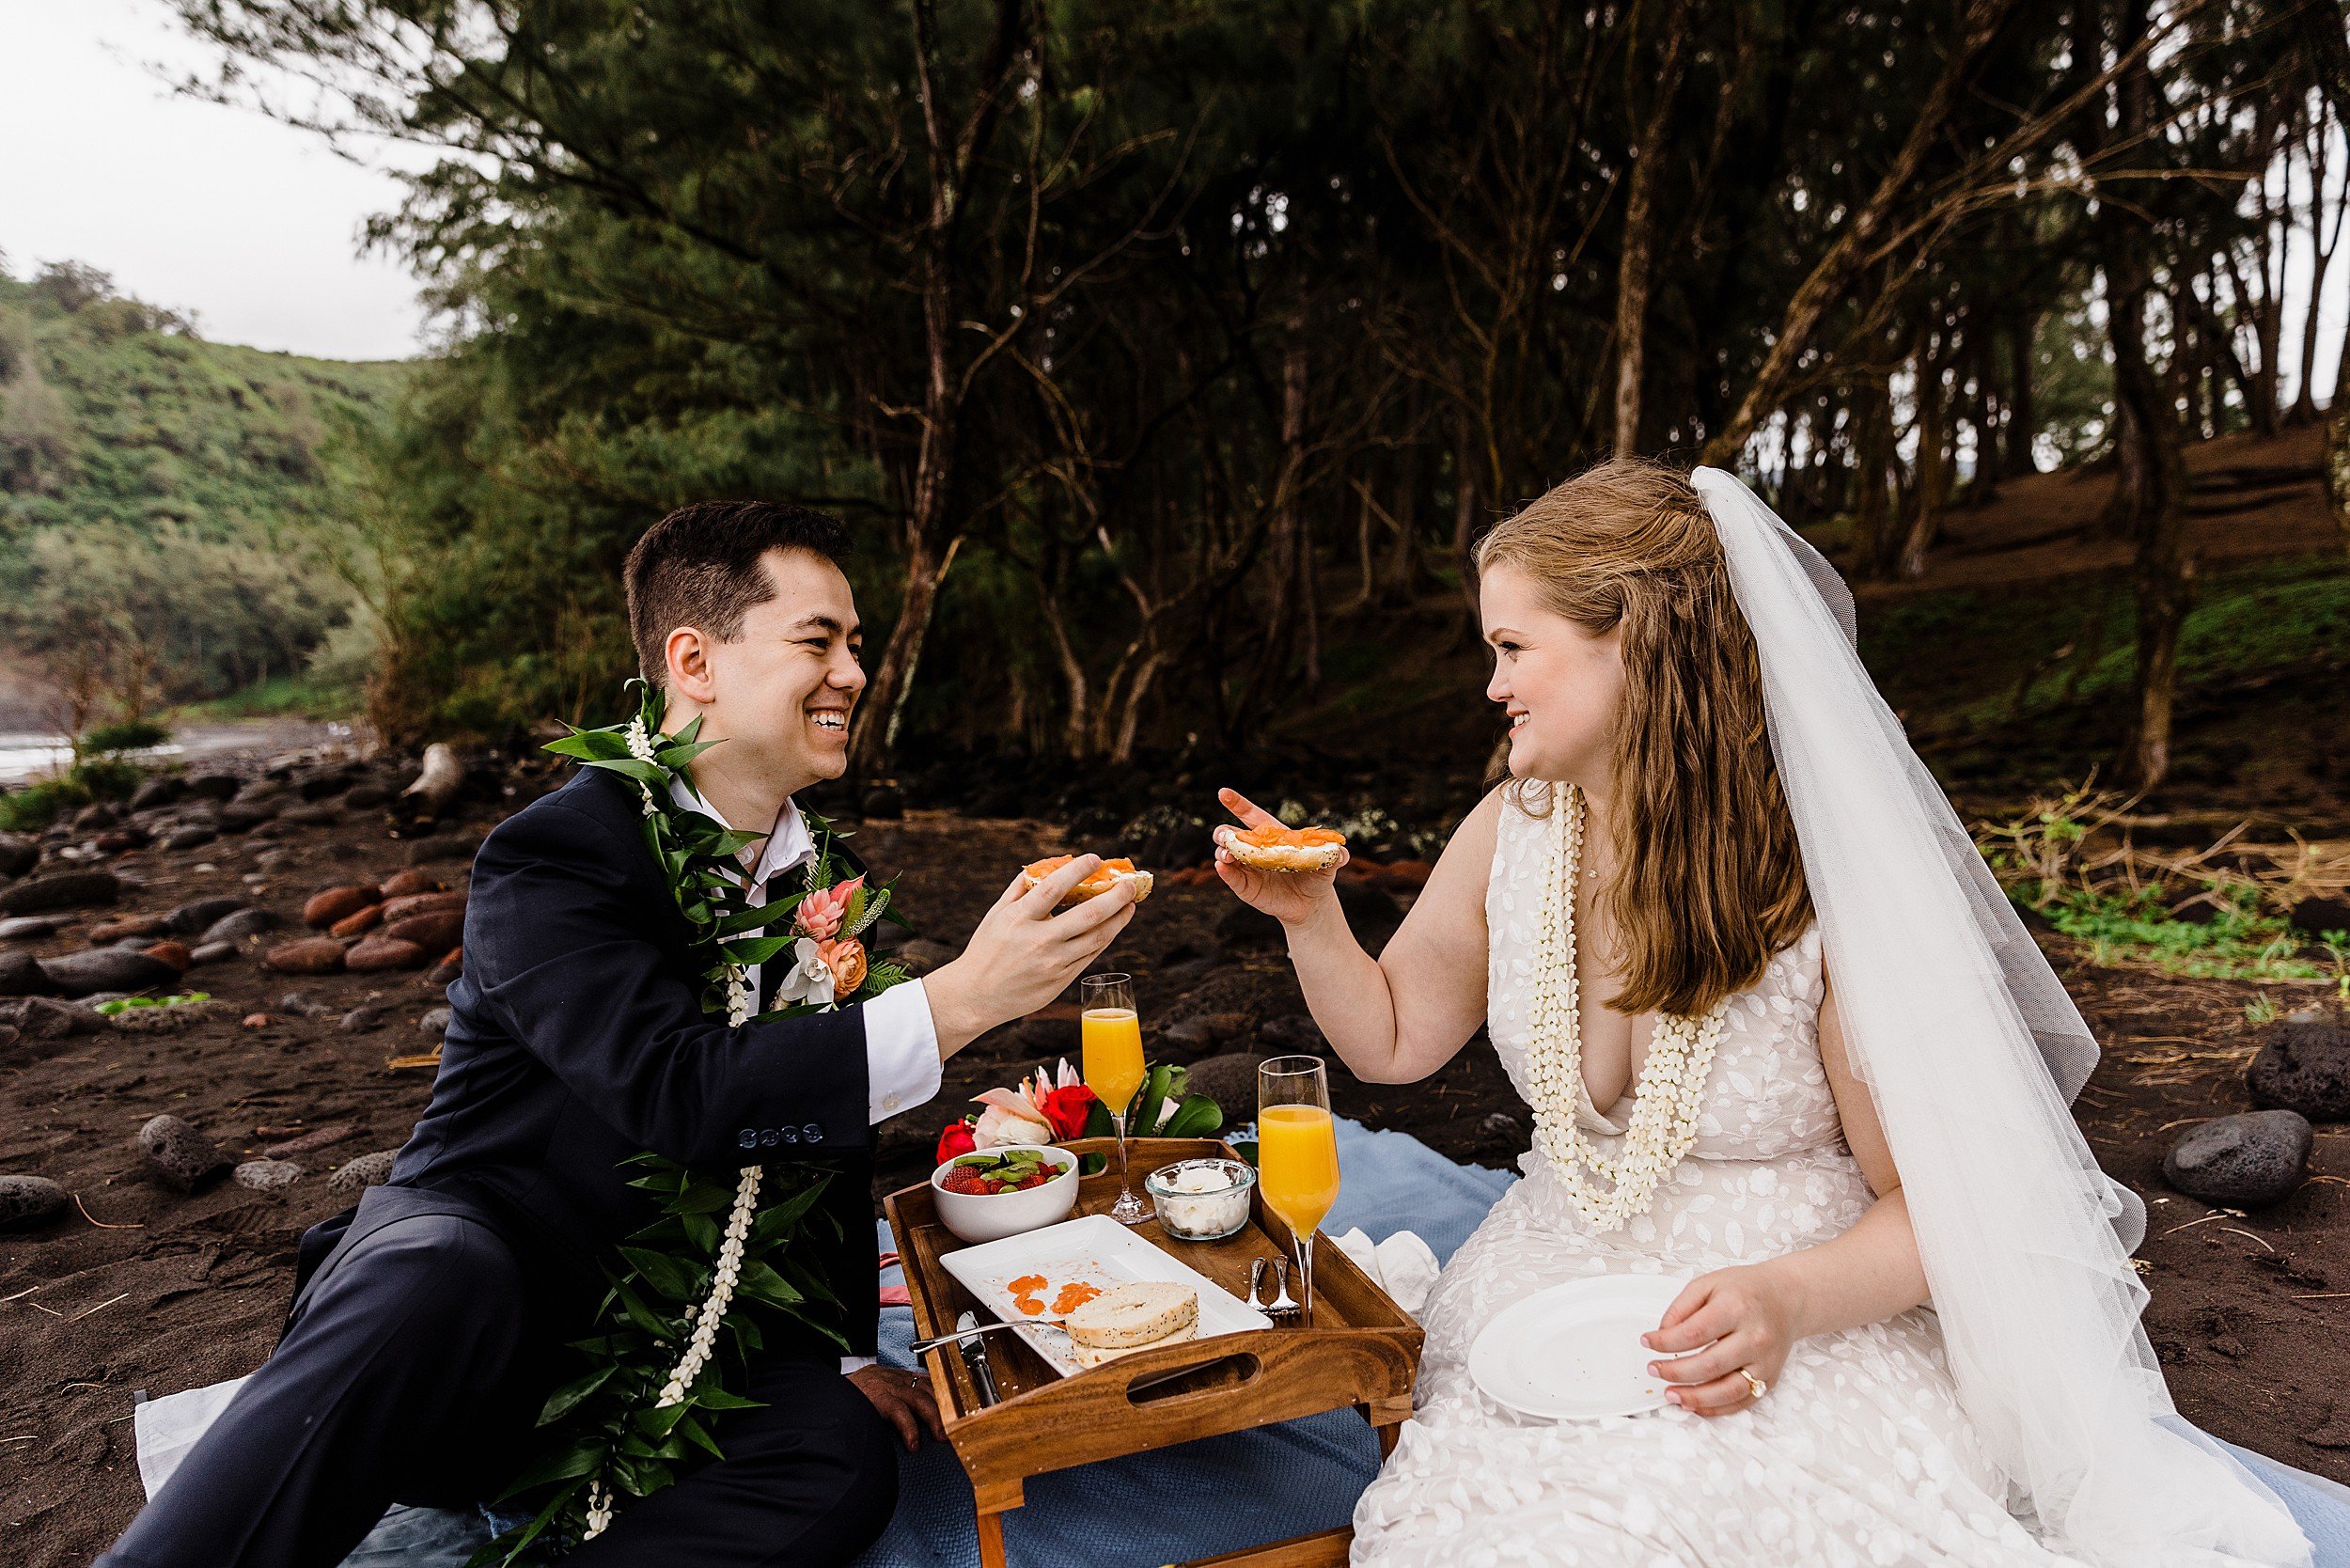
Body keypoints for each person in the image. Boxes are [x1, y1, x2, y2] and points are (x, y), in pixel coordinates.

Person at [1213, 460, 2312, 1566]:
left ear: (1634, 642)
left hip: (1801, 1311)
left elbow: (1953, 1211)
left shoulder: (1821, 887)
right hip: (1546, 1283)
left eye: (1511, 647)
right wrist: (1310, 918)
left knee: (1659, 1523)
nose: (1491, 684)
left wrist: (1788, 1299)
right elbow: (1391, 1042)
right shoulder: (1515, 825)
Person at [95, 501, 1140, 1568]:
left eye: (855, 646)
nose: (853, 674)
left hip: (682, 1344)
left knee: (839, 1451)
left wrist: (833, 1354)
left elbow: (813, 1121)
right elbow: (677, 1093)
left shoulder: (822, 873)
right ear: (694, 660)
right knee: (435, 1269)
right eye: (818, 642)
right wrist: (960, 1001)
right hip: (478, 1343)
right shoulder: (552, 857)